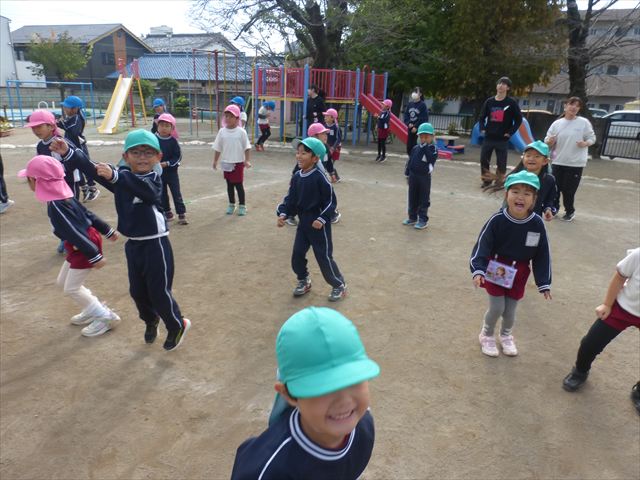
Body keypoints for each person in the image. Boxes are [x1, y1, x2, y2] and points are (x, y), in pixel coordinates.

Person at [230, 306, 380, 480]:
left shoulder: (363, 425)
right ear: (288, 394)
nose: (344, 400)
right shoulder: (269, 469)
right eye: (324, 389)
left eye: (353, 380)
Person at [94, 129, 191, 351]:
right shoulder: (123, 178)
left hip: (156, 244)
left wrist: (116, 175)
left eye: (148, 153)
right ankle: (151, 319)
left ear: (158, 157)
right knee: (137, 291)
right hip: (134, 244)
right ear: (125, 156)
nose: (142, 158)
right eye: (136, 153)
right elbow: (97, 171)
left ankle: (177, 325)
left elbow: (147, 192)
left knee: (158, 292)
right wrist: (69, 153)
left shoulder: (153, 178)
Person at [18, 155, 120, 337]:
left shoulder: (56, 205)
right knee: (63, 282)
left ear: (36, 181)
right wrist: (107, 230)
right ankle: (92, 308)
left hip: (83, 244)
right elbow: (88, 214)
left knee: (71, 288)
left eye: (29, 180)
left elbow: (73, 231)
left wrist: (94, 255)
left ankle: (105, 317)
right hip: (81, 243)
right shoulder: (63, 196)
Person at [470, 170, 552, 357]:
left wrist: (544, 282)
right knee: (497, 307)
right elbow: (482, 246)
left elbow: (543, 254)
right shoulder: (497, 220)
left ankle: (506, 335)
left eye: (527, 193)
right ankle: (487, 335)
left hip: (520, 272)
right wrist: (478, 270)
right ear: (506, 194)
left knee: (510, 311)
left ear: (534, 199)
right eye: (515, 191)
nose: (520, 197)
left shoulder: (537, 224)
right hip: (497, 268)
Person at [562, 247, 639, 414]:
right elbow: (619, 277)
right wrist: (607, 304)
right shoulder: (638, 255)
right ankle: (580, 371)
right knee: (590, 343)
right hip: (623, 308)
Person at [276, 137, 346, 302]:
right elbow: (291, 200)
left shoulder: (320, 178)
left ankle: (339, 285)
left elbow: (331, 202)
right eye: (298, 152)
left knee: (324, 257)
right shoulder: (297, 177)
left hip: (318, 226)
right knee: (297, 254)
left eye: (304, 153)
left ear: (315, 158)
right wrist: (283, 213)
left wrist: (322, 219)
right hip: (303, 225)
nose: (299, 156)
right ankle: (303, 280)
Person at [544, 96, 596, 222]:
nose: (574, 107)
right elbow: (547, 140)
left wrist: (585, 143)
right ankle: (554, 209)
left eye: (577, 106)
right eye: (571, 104)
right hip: (558, 161)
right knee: (555, 188)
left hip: (575, 163)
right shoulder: (557, 123)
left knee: (568, 190)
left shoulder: (583, 122)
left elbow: (592, 138)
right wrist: (550, 141)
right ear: (565, 106)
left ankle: (570, 211)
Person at [478, 77, 523, 188]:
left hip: (502, 138)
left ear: (508, 88)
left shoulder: (511, 103)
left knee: (501, 162)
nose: (500, 85)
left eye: (504, 84)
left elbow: (519, 119)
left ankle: (499, 181)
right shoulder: (489, 101)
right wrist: (482, 128)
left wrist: (510, 132)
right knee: (484, 159)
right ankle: (486, 180)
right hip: (489, 137)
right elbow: (482, 117)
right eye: (499, 83)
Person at [495, 140, 557, 220]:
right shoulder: (516, 178)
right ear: (523, 158)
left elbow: (550, 199)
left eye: (537, 156)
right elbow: (506, 202)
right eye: (528, 155)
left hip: (533, 220)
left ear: (545, 161)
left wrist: (547, 209)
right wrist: (501, 216)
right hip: (512, 218)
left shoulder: (549, 180)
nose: (531, 159)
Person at [57, 95, 100, 202]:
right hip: (72, 146)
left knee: (86, 166)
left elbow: (72, 130)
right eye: (64, 107)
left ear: (75, 109)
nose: (64, 109)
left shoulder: (77, 118)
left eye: (67, 107)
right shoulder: (72, 117)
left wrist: (61, 123)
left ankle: (92, 188)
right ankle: (85, 189)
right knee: (75, 168)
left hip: (79, 147)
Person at [212, 105, 252, 216]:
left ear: (237, 118)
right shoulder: (222, 132)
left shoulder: (241, 132)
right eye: (226, 116)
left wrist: (247, 160)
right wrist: (215, 161)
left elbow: (247, 147)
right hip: (226, 162)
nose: (228, 118)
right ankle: (231, 204)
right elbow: (218, 147)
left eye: (231, 116)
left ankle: (242, 205)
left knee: (238, 185)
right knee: (229, 185)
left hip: (238, 162)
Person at [403, 123, 437, 230]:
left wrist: (425, 147)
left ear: (432, 137)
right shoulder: (415, 148)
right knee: (412, 197)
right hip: (413, 176)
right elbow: (410, 161)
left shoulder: (433, 149)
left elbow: (431, 159)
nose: (424, 139)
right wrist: (407, 173)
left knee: (423, 199)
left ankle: (423, 219)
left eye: (427, 137)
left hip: (424, 177)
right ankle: (412, 217)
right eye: (422, 137)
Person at [155, 113, 187, 225]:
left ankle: (181, 213)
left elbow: (177, 156)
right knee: (162, 193)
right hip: (158, 173)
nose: (164, 128)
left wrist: (167, 163)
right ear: (157, 126)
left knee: (176, 192)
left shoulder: (173, 141)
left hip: (171, 172)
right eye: (161, 125)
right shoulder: (153, 139)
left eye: (167, 126)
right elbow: (150, 153)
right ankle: (167, 212)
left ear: (172, 128)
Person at [403, 87, 428, 155]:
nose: (414, 93)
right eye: (414, 91)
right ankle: (411, 159)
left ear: (420, 94)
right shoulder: (410, 104)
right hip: (410, 129)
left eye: (416, 92)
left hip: (419, 130)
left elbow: (424, 118)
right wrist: (408, 123)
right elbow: (406, 115)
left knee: (416, 147)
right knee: (409, 147)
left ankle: (415, 160)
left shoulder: (422, 105)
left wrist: (416, 127)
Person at [323, 108, 342, 182]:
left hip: (335, 148)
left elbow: (338, 139)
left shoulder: (336, 127)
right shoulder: (325, 126)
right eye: (325, 116)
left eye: (327, 116)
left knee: (329, 162)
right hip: (327, 147)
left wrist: (333, 148)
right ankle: (335, 177)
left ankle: (335, 177)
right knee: (328, 162)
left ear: (332, 118)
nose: (325, 117)